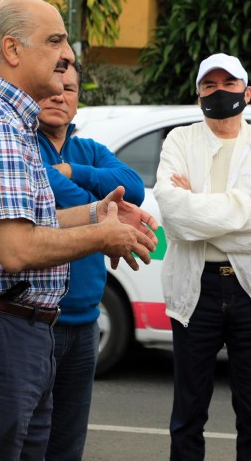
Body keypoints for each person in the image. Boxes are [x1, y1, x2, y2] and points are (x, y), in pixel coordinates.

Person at [0, 0, 158, 461]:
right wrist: (101, 236)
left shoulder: (8, 121)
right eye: (54, 41)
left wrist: (99, 214)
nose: (66, 55)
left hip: (5, 331)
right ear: (12, 49)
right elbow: (17, 249)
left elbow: (25, 222)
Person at [153, 53, 251, 461]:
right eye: (209, 85)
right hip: (195, 289)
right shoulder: (180, 141)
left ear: (247, 93)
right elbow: (175, 219)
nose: (219, 92)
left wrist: (198, 206)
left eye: (229, 84)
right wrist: (244, 204)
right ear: (198, 96)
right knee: (188, 414)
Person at [36, 60, 146, 460]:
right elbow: (46, 185)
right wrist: (102, 209)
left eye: (69, 89)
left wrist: (73, 169)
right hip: (34, 321)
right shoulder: (21, 145)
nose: (59, 96)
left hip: (85, 325)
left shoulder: (90, 151)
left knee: (67, 444)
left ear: (78, 99)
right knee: (26, 441)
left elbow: (133, 187)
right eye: (52, 87)